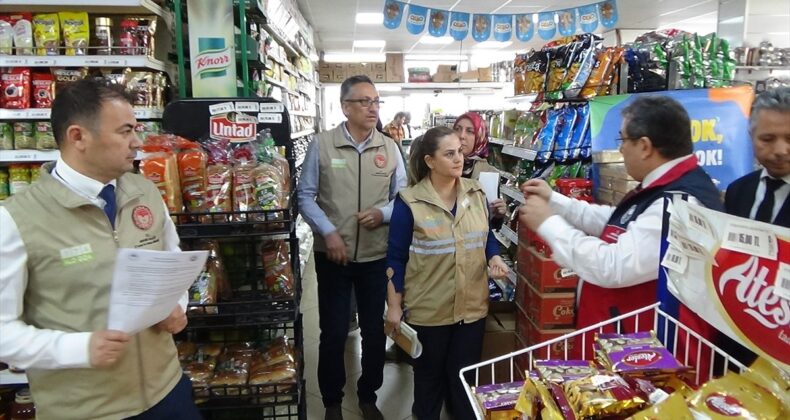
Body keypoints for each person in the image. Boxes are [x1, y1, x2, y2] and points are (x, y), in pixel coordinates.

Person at [0, 79, 198, 419]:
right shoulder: (17, 220)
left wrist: (177, 303)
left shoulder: (145, 192)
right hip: (86, 408)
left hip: (167, 391)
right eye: (125, 131)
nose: (137, 142)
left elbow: (173, 261)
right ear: (78, 137)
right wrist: (80, 348)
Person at [519, 96, 723, 359]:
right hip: (622, 346)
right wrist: (555, 201)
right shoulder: (662, 187)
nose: (621, 150)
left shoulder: (679, 203)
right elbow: (617, 223)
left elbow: (613, 266)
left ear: (645, 146)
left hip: (642, 359)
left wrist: (549, 224)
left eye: (623, 140)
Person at [297, 75, 408, 420]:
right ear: (345, 107)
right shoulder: (323, 144)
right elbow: (305, 195)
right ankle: (332, 400)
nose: (372, 108)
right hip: (333, 257)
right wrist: (328, 232)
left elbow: (402, 198)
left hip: (376, 256)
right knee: (332, 331)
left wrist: (383, 213)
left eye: (376, 101)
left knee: (374, 332)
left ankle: (368, 395)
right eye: (364, 101)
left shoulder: (389, 148)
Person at [385, 126, 510, 420]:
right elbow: (396, 257)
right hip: (430, 311)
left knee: (464, 382)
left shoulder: (476, 193)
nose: (459, 159)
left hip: (472, 309)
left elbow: (487, 235)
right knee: (429, 382)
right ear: (430, 161)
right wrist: (393, 306)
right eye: (449, 154)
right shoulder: (409, 202)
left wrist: (494, 256)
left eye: (460, 152)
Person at [720, 87, 790, 365]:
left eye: (789, 138)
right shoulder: (739, 191)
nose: (780, 150)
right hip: (735, 338)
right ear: (751, 137)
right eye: (768, 139)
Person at [453, 111, 507, 223]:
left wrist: (498, 214)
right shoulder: (440, 166)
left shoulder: (489, 173)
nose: (461, 136)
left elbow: (492, 225)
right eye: (457, 129)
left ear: (480, 137)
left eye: (470, 131)